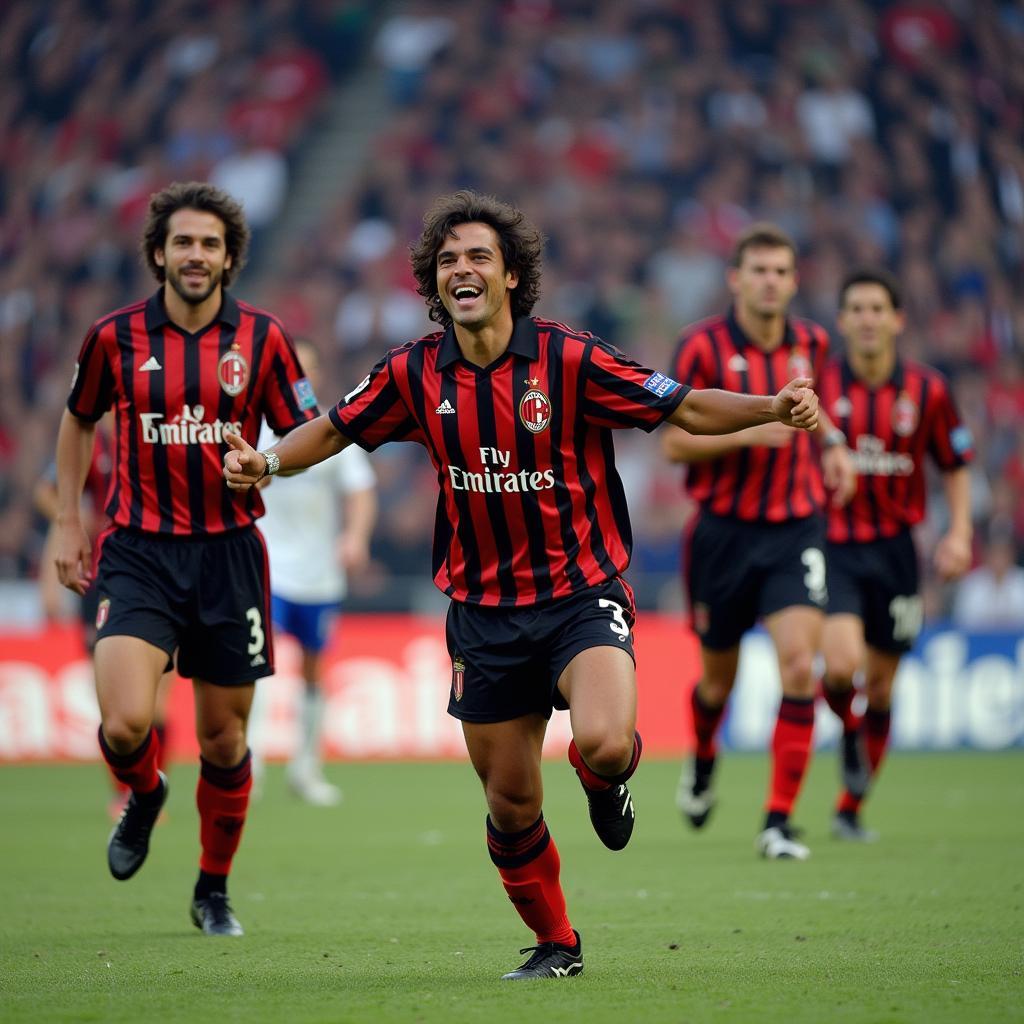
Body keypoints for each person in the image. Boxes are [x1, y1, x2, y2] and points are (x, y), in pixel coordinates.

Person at [224, 190, 820, 978]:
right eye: (447, 261)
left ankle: (603, 781)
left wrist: (767, 407)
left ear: (511, 276)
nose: (461, 269)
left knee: (606, 743)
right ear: (434, 285)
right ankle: (557, 944)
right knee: (511, 804)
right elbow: (333, 429)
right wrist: (266, 461)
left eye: (478, 257)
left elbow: (680, 406)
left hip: (581, 594)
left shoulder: (569, 360)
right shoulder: (411, 374)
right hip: (482, 613)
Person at [54, 181, 318, 937]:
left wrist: (266, 464)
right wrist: (68, 523)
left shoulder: (264, 339)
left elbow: (303, 436)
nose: (195, 255)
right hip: (136, 549)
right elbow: (78, 424)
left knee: (224, 741)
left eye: (209, 243)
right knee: (127, 723)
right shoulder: (113, 338)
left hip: (229, 557)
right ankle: (144, 792)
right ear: (159, 254)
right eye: (182, 242)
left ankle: (212, 889)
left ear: (229, 256)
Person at [664, 222, 856, 861]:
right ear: (736, 279)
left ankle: (777, 820)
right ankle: (702, 760)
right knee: (716, 683)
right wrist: (753, 429)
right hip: (721, 534)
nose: (770, 281)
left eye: (781, 271)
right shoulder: (700, 348)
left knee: (801, 665)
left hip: (794, 528)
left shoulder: (814, 341)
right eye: (759, 270)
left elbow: (815, 407)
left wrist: (831, 445)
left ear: (794, 281)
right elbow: (671, 442)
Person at [818, 268, 973, 840]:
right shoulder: (822, 388)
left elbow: (955, 465)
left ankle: (849, 807)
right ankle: (849, 727)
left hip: (896, 553)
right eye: (855, 308)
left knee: (881, 686)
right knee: (839, 668)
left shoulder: (928, 391)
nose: (866, 318)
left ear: (897, 319)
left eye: (877, 308)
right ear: (842, 320)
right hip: (833, 545)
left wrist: (958, 533)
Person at [254, 339, 377, 805]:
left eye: (304, 371)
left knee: (312, 670)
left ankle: (305, 769)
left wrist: (355, 537)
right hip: (266, 566)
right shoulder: (257, 430)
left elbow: (361, 491)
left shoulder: (330, 427)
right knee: (258, 667)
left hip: (319, 573)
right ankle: (251, 767)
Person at [35, 423, 174, 820]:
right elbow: (46, 491)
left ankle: (150, 788)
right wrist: (74, 519)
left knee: (157, 700)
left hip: (161, 575)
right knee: (116, 705)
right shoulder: (88, 442)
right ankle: (125, 792)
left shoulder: (156, 432)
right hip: (102, 581)